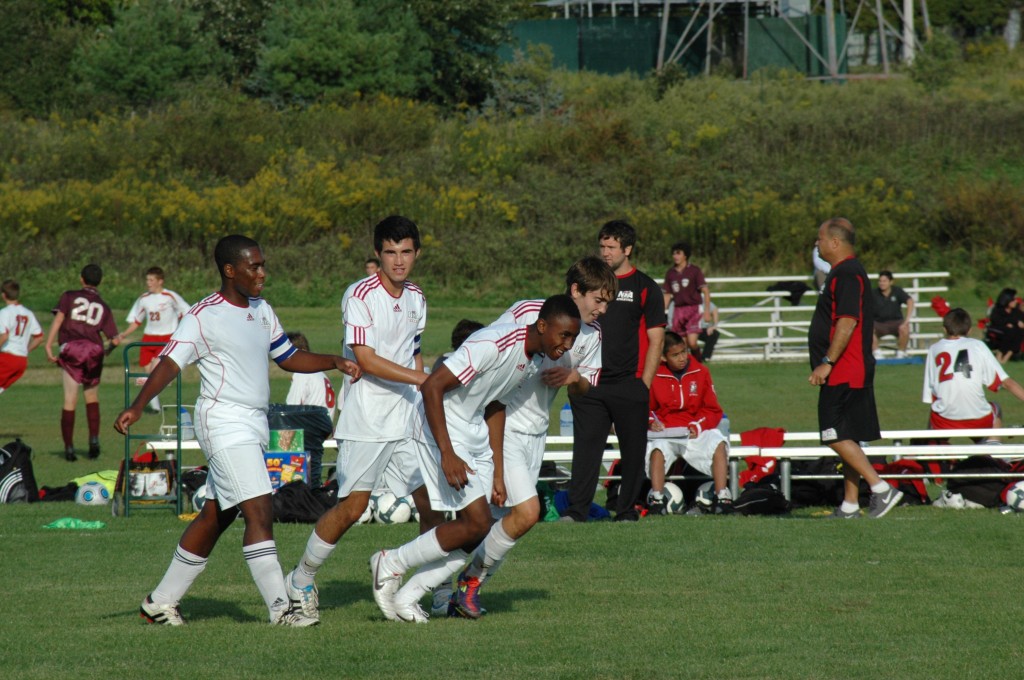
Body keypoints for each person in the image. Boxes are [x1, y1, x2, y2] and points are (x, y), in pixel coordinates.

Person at [113, 234, 362, 627]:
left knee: (217, 515)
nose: (262, 272)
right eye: (254, 266)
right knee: (259, 509)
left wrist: (333, 360)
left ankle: (159, 602)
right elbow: (169, 364)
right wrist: (137, 405)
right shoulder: (202, 315)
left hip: (252, 423)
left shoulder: (262, 309)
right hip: (222, 421)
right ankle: (282, 610)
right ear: (230, 271)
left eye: (262, 264)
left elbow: (289, 356)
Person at [369, 295, 581, 624]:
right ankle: (390, 562)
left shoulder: (536, 359)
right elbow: (433, 386)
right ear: (542, 325)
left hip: (473, 429)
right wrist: (448, 453)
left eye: (573, 338)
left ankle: (408, 595)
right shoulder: (495, 342)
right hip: (439, 424)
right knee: (477, 522)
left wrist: (496, 471)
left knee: (482, 530)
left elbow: (496, 406)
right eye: (563, 335)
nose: (567, 344)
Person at [285, 215, 441, 624]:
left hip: (408, 416)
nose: (399, 261)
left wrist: (423, 395)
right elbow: (367, 360)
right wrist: (425, 380)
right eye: (390, 252)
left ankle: (419, 589)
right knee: (353, 508)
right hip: (367, 417)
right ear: (377, 253)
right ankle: (301, 579)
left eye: (406, 252)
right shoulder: (359, 294)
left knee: (432, 501)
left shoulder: (418, 297)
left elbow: (414, 351)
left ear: (417, 253)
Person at [444, 256, 616, 618]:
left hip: (537, 434)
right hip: (502, 427)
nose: (602, 309)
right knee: (527, 513)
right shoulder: (528, 311)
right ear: (575, 291)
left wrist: (574, 380)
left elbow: (588, 387)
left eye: (606, 303)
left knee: (491, 524)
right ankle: (461, 583)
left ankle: (447, 590)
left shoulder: (593, 335)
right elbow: (488, 348)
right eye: (598, 300)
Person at [565, 220, 666, 523]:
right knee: (586, 450)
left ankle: (626, 510)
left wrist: (643, 384)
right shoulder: (589, 282)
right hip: (590, 385)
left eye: (611, 247)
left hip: (628, 384)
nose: (605, 253)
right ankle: (576, 511)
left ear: (628, 249)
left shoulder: (645, 287)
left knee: (633, 452)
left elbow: (656, 338)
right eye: (602, 246)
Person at [808, 218, 903, 519]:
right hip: (848, 369)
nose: (817, 244)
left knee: (833, 432)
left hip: (845, 369)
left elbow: (847, 322)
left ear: (835, 242)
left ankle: (880, 488)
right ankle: (850, 504)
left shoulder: (847, 274)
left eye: (820, 239)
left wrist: (827, 362)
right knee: (848, 435)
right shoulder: (843, 272)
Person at [645, 331, 731, 514]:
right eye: (675, 355)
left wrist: (697, 426)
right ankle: (657, 499)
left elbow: (713, 410)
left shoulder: (701, 371)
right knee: (657, 448)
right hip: (667, 432)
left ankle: (722, 496)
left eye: (684, 352)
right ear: (663, 357)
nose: (682, 358)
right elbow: (645, 408)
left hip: (694, 431)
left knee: (718, 441)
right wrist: (651, 421)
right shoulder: (653, 374)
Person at [45, 264, 120, 461]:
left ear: (81, 279)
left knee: (70, 398)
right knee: (91, 396)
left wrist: (48, 344)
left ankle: (69, 448)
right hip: (94, 350)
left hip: (72, 348)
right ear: (100, 281)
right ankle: (93, 439)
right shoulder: (103, 305)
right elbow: (115, 339)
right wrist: (105, 351)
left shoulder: (69, 296)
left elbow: (59, 320)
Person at [923, 308, 1024, 438]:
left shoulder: (934, 349)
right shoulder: (977, 345)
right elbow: (1006, 382)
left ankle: (934, 446)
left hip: (944, 422)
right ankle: (992, 447)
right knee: (995, 408)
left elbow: (931, 395)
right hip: (978, 420)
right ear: (970, 330)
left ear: (944, 329)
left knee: (937, 409)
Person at [115, 267, 190, 413]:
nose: (148, 283)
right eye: (147, 280)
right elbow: (136, 320)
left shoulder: (169, 296)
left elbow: (185, 312)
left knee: (155, 371)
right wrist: (123, 334)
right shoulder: (144, 299)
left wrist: (181, 332)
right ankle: (155, 405)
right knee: (147, 373)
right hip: (148, 338)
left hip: (165, 338)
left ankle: (155, 408)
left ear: (160, 281)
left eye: (151, 280)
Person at [283, 331, 337, 487]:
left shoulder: (302, 372)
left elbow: (289, 411)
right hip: (323, 429)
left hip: (307, 433)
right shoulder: (321, 374)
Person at [662, 241, 711, 359]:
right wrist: (662, 311)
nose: (675, 256)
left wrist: (707, 311)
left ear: (685, 255)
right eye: (674, 254)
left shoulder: (694, 271)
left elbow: (705, 291)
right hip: (678, 310)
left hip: (693, 309)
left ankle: (699, 363)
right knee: (681, 344)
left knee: (692, 342)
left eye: (678, 253)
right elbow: (667, 294)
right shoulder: (670, 273)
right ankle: (687, 368)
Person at [0, 280, 44, 396]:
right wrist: (26, 350)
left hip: (7, 358)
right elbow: (39, 337)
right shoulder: (28, 313)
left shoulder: (4, 312)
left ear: (3, 295)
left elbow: (4, 336)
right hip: (21, 362)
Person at [872, 270, 915, 359]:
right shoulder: (873, 293)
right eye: (880, 281)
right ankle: (877, 353)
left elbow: (910, 301)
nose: (882, 283)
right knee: (867, 328)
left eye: (884, 281)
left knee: (905, 328)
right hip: (879, 323)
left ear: (891, 282)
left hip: (896, 322)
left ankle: (901, 353)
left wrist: (906, 320)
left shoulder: (897, 291)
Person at [986, 288, 1024, 364]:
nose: (1016, 301)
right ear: (1008, 300)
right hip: (997, 328)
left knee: (1019, 331)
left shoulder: (1015, 310)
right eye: (1013, 300)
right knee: (1010, 330)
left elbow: (1019, 318)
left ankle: (1007, 355)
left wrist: (1017, 322)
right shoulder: (998, 309)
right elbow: (996, 320)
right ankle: (1000, 354)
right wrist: (1009, 322)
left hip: (1012, 330)